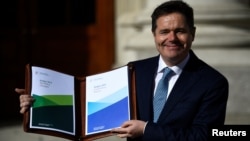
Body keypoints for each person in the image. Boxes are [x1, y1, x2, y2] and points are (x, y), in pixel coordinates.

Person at [16, 1, 229, 141]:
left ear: (193, 33)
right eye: (164, 31)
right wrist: (39, 103)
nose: (171, 38)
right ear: (154, 35)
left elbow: (204, 136)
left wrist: (146, 130)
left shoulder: (212, 82)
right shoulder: (135, 70)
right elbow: (83, 107)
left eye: (180, 31)